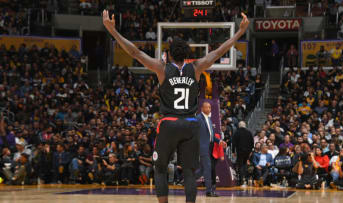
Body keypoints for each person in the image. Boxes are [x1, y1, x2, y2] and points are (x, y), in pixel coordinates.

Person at [102, 10, 249, 203]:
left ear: (169, 54)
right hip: (190, 124)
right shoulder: (196, 68)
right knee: (188, 170)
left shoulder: (162, 68)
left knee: (160, 168)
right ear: (187, 54)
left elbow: (135, 52)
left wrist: (113, 32)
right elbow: (220, 51)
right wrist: (239, 32)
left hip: (169, 123)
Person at [196, 102, 226, 197]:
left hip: (209, 147)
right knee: (208, 168)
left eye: (210, 107)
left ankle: (188, 180)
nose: (209, 109)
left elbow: (211, 136)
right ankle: (209, 191)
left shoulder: (209, 119)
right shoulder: (198, 118)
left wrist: (220, 141)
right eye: (207, 107)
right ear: (202, 108)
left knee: (202, 170)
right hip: (202, 147)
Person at [232, 121, 254, 186]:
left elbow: (234, 143)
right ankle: (245, 179)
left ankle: (241, 180)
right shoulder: (249, 132)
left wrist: (233, 151)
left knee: (240, 165)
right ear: (245, 125)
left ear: (239, 126)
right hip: (247, 152)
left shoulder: (236, 132)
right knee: (245, 165)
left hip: (240, 151)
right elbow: (252, 143)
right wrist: (251, 151)